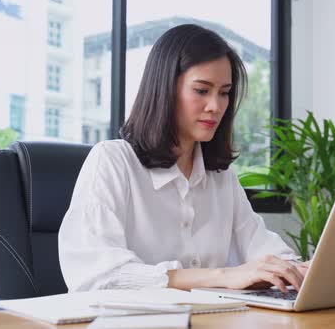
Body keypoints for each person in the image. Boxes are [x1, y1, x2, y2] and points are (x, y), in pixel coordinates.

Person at [58, 24, 308, 293]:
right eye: (202, 90)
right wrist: (221, 276)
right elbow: (96, 276)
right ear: (164, 89)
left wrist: (299, 269)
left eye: (224, 93)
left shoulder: (222, 178)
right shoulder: (113, 161)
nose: (216, 106)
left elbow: (264, 248)